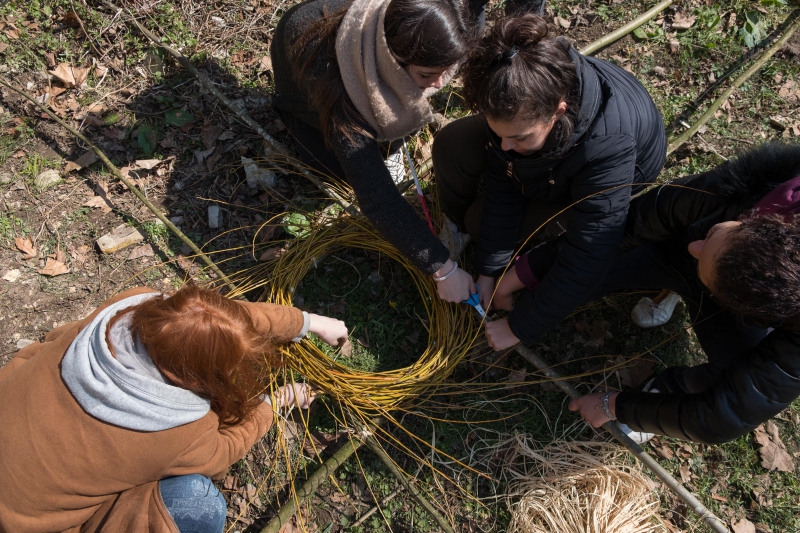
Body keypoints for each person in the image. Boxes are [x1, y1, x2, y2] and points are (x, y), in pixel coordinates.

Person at [0, 285, 347, 533]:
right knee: (198, 502)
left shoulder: (126, 309)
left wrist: (308, 322)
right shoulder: (180, 434)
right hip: (29, 524)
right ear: (197, 377)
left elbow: (210, 320)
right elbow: (225, 449)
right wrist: (275, 403)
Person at [531, 141, 800, 445]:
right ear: (755, 220)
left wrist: (618, 406)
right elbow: (643, 217)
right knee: (582, 272)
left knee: (733, 370)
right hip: (674, 244)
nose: (693, 248)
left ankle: (672, 386)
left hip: (737, 283)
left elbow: (724, 416)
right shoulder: (764, 182)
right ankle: (681, 277)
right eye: (712, 235)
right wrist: (528, 272)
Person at [432, 14, 666, 349]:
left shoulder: (608, 150)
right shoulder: (513, 81)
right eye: (499, 133)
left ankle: (505, 224)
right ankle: (460, 228)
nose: (505, 146)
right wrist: (488, 271)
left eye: (518, 137)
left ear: (558, 111)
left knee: (483, 224)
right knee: (452, 144)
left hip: (621, 168)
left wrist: (520, 326)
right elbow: (504, 166)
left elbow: (589, 254)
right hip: (557, 144)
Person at [271, 0, 477, 304]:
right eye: (425, 75)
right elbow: (377, 198)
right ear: (392, 61)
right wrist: (443, 270)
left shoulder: (398, 23)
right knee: (341, 171)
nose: (438, 84)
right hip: (307, 106)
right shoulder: (332, 78)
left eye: (445, 72)